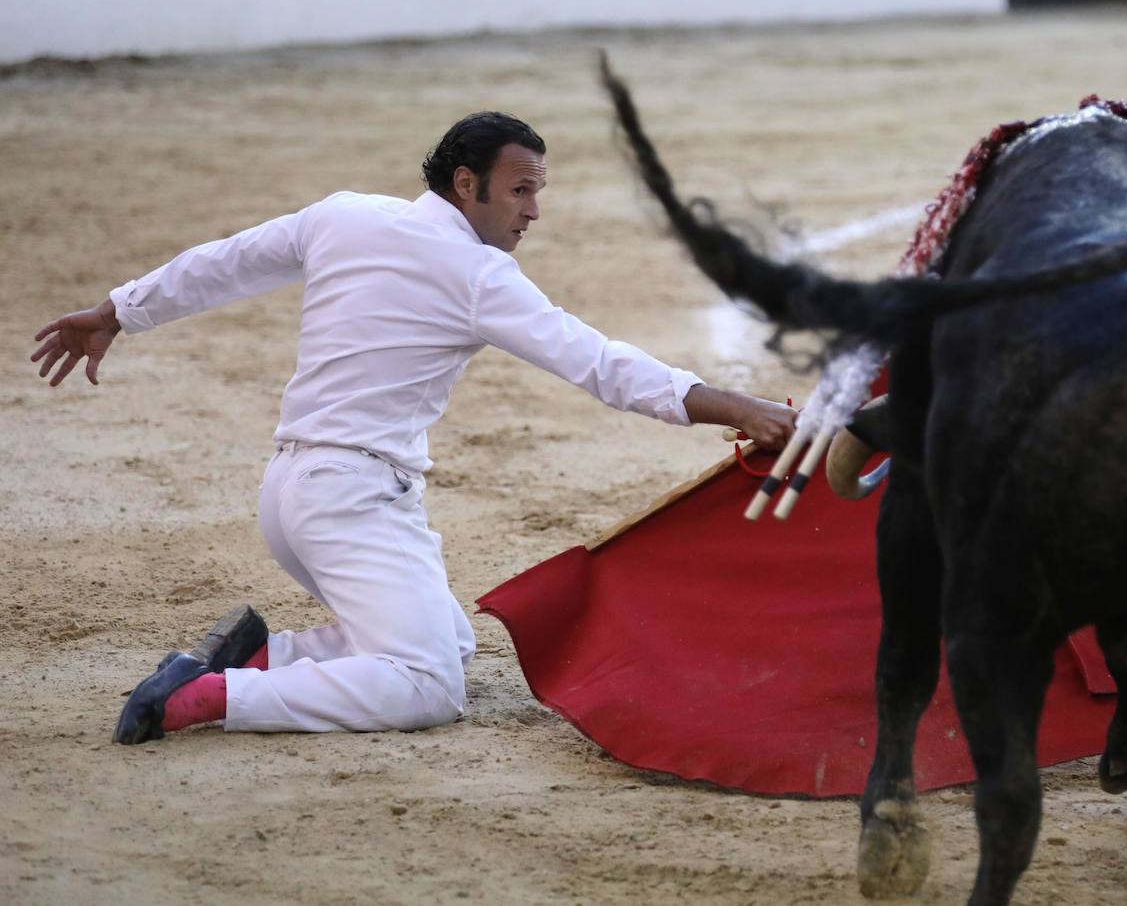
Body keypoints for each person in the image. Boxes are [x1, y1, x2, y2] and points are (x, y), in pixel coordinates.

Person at [32, 111, 796, 745]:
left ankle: (265, 656)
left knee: (446, 645)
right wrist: (739, 409)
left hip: (291, 495)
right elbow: (600, 364)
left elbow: (226, 263)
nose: (533, 210)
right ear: (467, 185)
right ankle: (203, 698)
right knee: (429, 685)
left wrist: (116, 311)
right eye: (520, 190)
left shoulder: (344, 215)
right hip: (352, 501)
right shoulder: (477, 274)